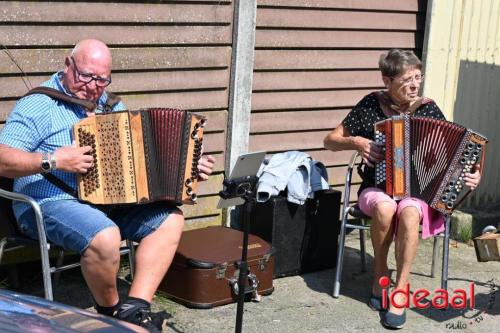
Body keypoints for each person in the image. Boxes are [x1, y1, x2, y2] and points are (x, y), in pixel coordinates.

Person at [0, 39, 215, 332]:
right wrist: (54, 160)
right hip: (47, 202)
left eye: (102, 79)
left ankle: (136, 307)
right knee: (105, 235)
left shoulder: (111, 105)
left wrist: (188, 169)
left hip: (106, 203)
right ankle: (110, 313)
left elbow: (139, 164)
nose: (93, 86)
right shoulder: (38, 105)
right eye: (86, 76)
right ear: (68, 64)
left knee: (170, 220)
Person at [323, 49, 482, 329]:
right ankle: (379, 277)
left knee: (409, 212)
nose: (414, 85)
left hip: (418, 194)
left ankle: (400, 289)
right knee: (385, 207)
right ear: (387, 80)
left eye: (417, 78)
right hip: (377, 187)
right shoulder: (371, 105)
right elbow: (331, 140)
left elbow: (458, 152)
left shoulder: (428, 109)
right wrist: (358, 142)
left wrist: (473, 174)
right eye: (407, 80)